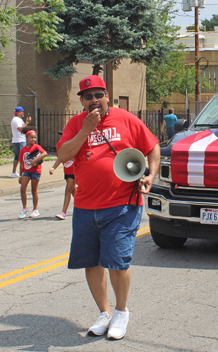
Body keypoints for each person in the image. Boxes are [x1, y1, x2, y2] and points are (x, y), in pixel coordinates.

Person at [57, 75, 160, 340]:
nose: (94, 100)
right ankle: (104, 313)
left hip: (122, 205)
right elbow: (63, 155)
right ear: (81, 100)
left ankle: (121, 312)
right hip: (85, 206)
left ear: (107, 96)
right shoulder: (75, 124)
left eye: (98, 94)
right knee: (91, 263)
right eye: (88, 96)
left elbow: (152, 146)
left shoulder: (126, 119)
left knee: (117, 262)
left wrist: (150, 176)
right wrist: (84, 131)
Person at [18, 126, 47, 219]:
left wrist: (35, 160)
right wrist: (20, 175)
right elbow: (21, 162)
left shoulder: (36, 147)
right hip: (26, 171)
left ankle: (35, 209)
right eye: (31, 137)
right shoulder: (23, 150)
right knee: (22, 188)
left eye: (35, 137)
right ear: (26, 138)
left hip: (35, 171)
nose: (33, 139)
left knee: (34, 190)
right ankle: (24, 208)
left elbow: (44, 153)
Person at [11, 106, 31, 177]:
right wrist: (27, 122)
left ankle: (14, 172)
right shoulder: (16, 120)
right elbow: (20, 129)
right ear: (19, 113)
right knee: (22, 157)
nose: (23, 113)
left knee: (17, 157)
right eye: (22, 112)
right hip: (19, 141)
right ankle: (22, 173)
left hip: (18, 140)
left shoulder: (18, 119)